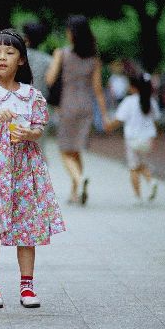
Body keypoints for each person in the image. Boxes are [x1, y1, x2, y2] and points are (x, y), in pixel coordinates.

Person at [0, 29, 65, 309]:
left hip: (25, 169)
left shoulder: (32, 95)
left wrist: (30, 135)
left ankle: (27, 287)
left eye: (9, 52)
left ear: (21, 59)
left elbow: (40, 128)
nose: (2, 57)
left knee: (28, 229)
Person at [45, 15, 109, 205]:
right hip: (87, 106)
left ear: (72, 33)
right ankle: (75, 192)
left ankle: (80, 179)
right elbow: (98, 90)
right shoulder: (94, 59)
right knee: (76, 149)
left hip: (68, 104)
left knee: (64, 149)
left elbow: (49, 79)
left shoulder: (62, 54)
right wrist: (104, 116)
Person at [105, 73, 160, 203]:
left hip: (133, 140)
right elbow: (156, 118)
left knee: (134, 168)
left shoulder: (129, 101)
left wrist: (108, 126)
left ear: (134, 87)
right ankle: (151, 181)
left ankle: (138, 196)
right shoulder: (151, 101)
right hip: (148, 140)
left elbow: (118, 120)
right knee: (142, 164)